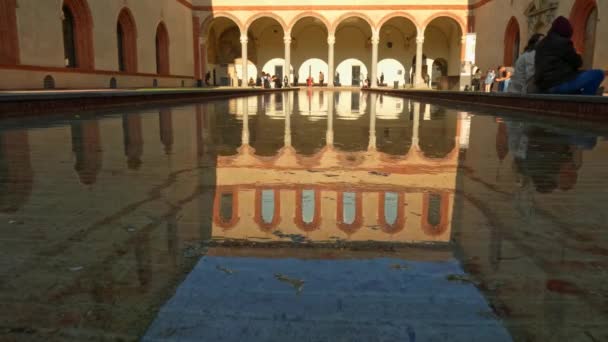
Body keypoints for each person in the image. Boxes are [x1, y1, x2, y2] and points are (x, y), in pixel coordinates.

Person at [535, 16, 605, 95]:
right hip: (558, 84)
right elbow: (578, 63)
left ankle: (582, 96)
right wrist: (577, 54)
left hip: (543, 86)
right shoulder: (563, 42)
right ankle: (585, 101)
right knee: (598, 74)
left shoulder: (541, 44)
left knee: (578, 88)